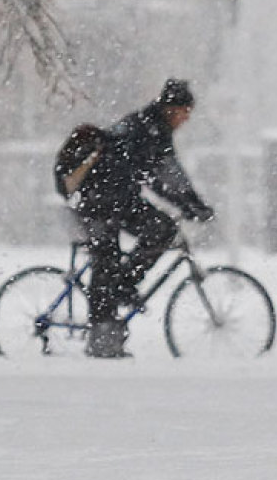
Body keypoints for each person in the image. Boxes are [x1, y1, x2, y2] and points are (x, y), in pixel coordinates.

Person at [71, 78, 214, 358]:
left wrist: (192, 204)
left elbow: (166, 176)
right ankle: (103, 338)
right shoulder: (148, 128)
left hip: (117, 199)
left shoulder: (152, 126)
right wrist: (191, 206)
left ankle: (122, 288)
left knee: (160, 230)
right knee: (107, 264)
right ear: (173, 108)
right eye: (186, 111)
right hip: (100, 202)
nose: (187, 118)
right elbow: (164, 176)